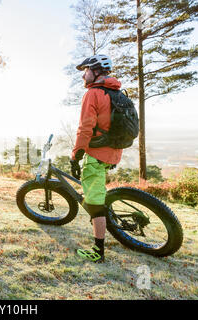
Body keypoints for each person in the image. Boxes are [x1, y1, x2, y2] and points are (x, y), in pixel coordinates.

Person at [70, 54, 123, 263]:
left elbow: (85, 128)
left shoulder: (93, 94)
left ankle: (97, 252)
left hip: (96, 153)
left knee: (94, 203)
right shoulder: (116, 92)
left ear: (96, 71)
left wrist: (76, 155)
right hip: (113, 152)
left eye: (86, 70)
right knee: (98, 193)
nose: (84, 75)